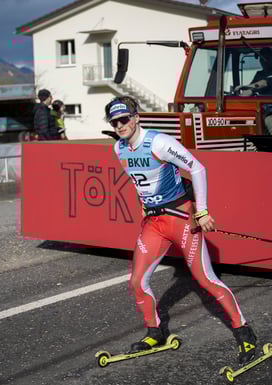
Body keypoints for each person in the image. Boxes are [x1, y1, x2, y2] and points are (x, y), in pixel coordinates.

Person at [105, 96, 258, 365]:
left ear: (136, 117)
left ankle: (243, 330)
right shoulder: (119, 148)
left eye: (124, 119)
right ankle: (154, 332)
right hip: (155, 224)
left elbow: (197, 168)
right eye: (114, 122)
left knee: (206, 280)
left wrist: (203, 211)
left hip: (181, 219)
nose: (120, 125)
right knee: (137, 281)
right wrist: (145, 205)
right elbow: (140, 182)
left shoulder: (159, 143)